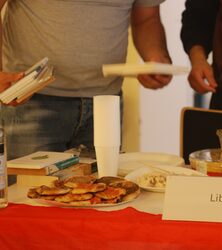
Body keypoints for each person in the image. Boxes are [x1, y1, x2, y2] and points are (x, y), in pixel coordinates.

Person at [0, 0, 172, 160]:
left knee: (103, 189)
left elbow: (147, 19)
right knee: (25, 191)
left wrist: (156, 59)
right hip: (31, 103)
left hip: (106, 102)